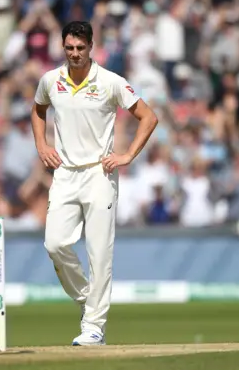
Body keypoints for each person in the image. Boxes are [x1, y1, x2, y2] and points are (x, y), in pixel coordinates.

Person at [31, 21, 158, 345]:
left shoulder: (110, 81)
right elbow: (37, 110)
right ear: (63, 47)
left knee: (99, 253)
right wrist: (42, 146)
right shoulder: (50, 80)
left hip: (99, 173)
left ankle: (93, 326)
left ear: (91, 47)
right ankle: (89, 300)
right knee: (55, 244)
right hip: (64, 173)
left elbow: (149, 116)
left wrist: (128, 154)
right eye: (69, 48)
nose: (75, 54)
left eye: (80, 48)